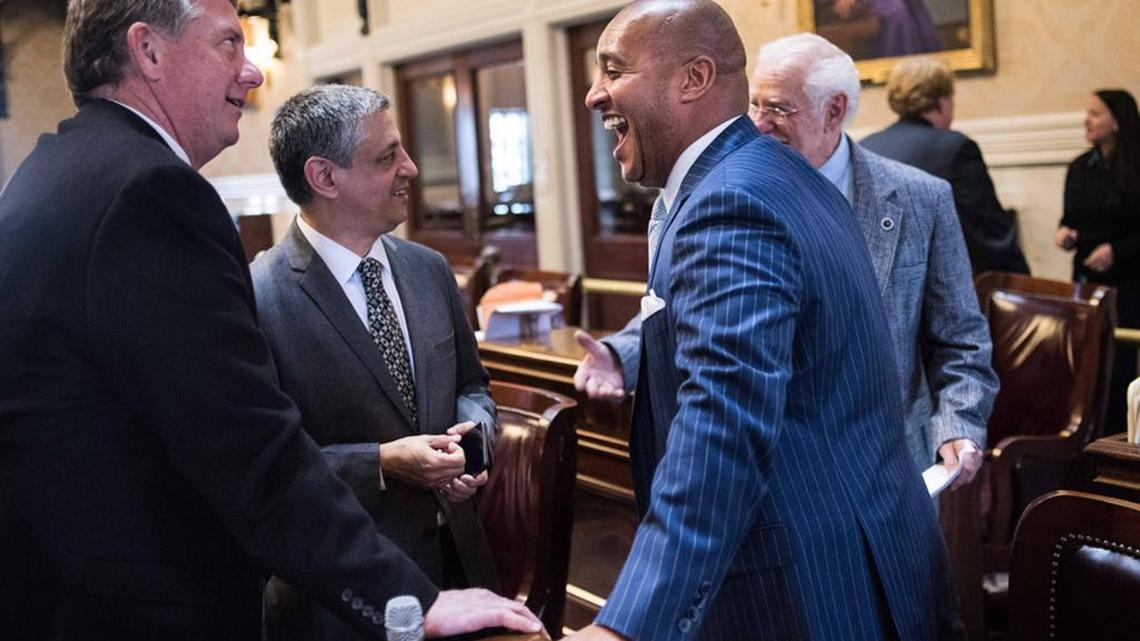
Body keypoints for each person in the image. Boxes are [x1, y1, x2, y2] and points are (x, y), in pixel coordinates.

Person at [0, 1, 541, 639]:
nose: (252, 73)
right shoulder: (152, 193)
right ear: (148, 52)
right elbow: (247, 447)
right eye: (229, 44)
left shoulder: (50, 169)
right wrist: (410, 603)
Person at [566, 2, 960, 640]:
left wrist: (630, 625)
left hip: (805, 584)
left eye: (613, 70)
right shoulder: (777, 177)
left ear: (693, 78)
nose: (594, 94)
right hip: (866, 552)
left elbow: (722, 424)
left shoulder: (729, 203)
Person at [578, 33, 996, 488]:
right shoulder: (725, 192)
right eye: (754, 105)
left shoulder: (921, 199)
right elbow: (691, 304)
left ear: (833, 111)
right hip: (773, 477)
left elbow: (961, 340)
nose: (757, 124)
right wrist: (620, 355)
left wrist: (958, 424)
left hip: (890, 470)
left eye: (777, 109)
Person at [253, 84, 500, 640]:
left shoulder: (428, 268)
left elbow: (473, 385)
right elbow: (261, 466)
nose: (410, 168)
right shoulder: (256, 298)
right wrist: (383, 463)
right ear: (325, 177)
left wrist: (472, 445)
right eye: (387, 157)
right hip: (337, 602)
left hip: (460, 567)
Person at [861, 57, 1031, 275]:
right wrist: (1026, 286)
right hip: (935, 289)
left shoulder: (865, 147)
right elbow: (988, 233)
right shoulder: (956, 148)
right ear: (942, 101)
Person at [1056, 89, 1140, 434]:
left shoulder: (1135, 167)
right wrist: (1065, 232)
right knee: (1087, 360)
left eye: (1095, 113)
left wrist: (1116, 251)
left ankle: (1119, 434)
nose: (1086, 121)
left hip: (1130, 280)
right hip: (1087, 278)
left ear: (1117, 121)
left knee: (1121, 363)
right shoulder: (1080, 166)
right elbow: (1071, 217)